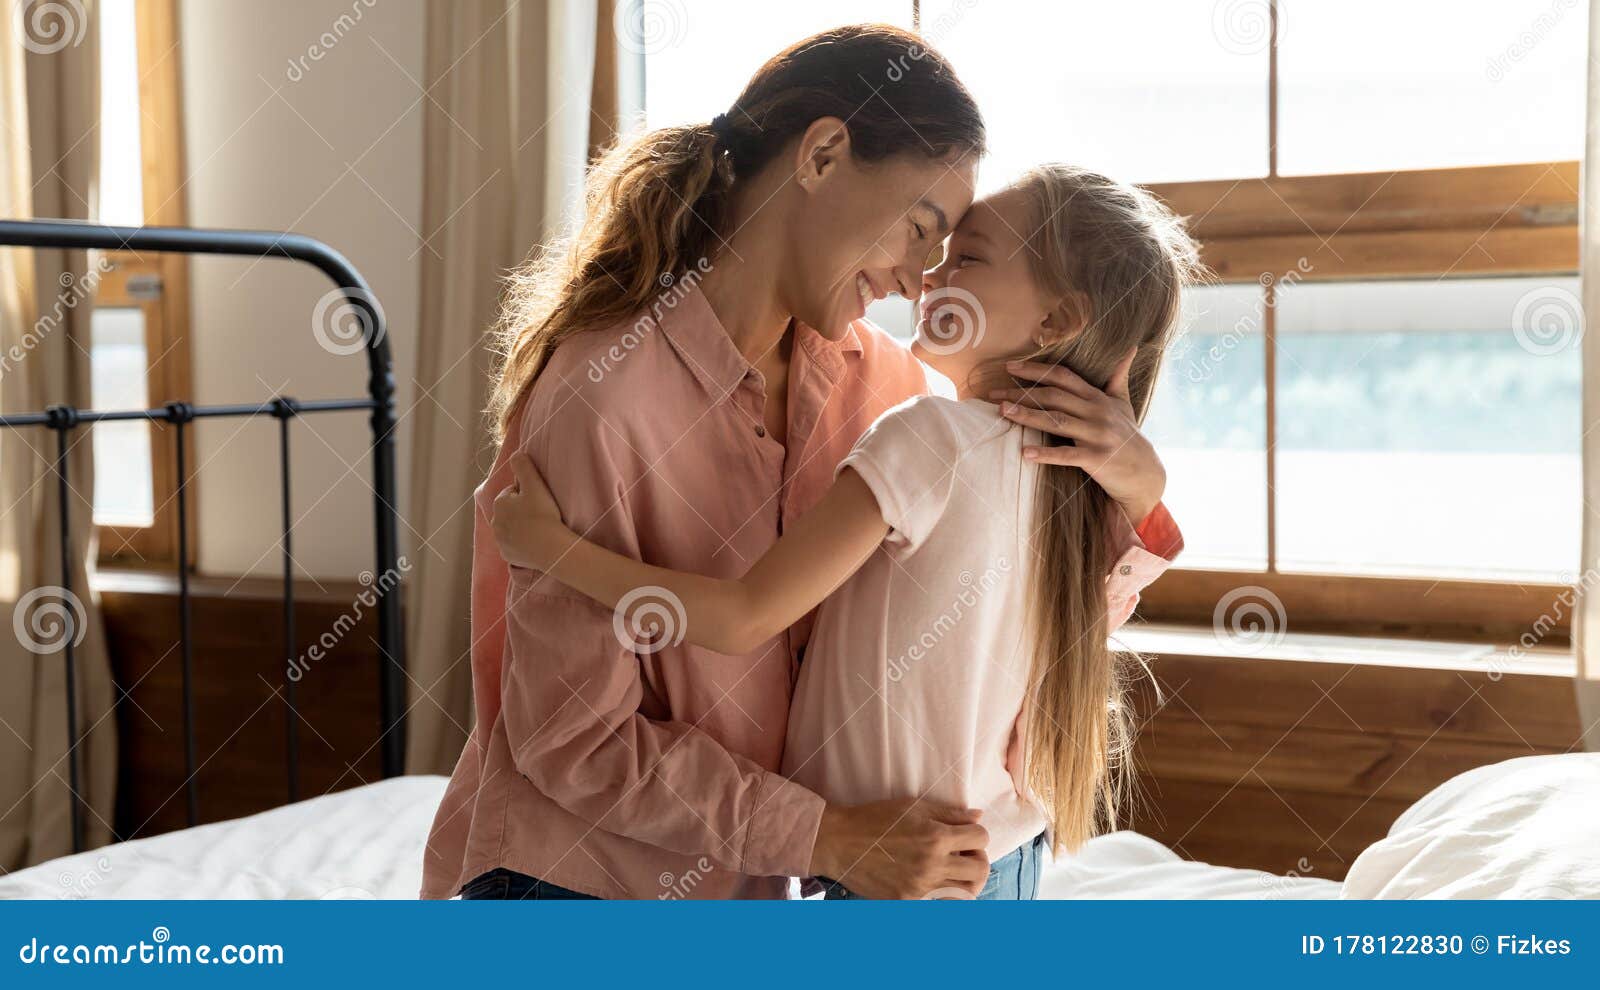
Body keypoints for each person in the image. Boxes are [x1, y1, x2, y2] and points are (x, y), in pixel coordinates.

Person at [491, 164, 1197, 899]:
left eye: (969, 258)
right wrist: (1145, 500)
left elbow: (743, 617)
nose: (928, 276)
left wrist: (549, 549)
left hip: (896, 867)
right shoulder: (1075, 492)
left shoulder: (927, 436)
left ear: (1055, 322)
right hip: (1003, 861)